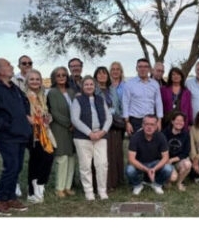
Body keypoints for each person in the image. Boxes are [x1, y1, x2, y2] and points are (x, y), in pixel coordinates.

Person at [0, 58, 33, 215]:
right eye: (8, 65)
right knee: (11, 167)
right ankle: (1, 200)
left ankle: (11, 197)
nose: (12, 67)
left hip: (20, 134)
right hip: (6, 136)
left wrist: (26, 117)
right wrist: (6, 126)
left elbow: (25, 102)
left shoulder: (13, 87)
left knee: (17, 167)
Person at [71, 75, 111, 201]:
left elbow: (109, 117)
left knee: (102, 164)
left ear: (95, 86)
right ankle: (89, 191)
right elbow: (75, 119)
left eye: (91, 84)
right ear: (82, 87)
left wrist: (103, 131)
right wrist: (89, 133)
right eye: (86, 84)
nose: (89, 86)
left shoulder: (100, 99)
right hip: (83, 137)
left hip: (100, 136)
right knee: (85, 165)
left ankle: (102, 191)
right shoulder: (78, 100)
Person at [24, 69, 54, 203]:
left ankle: (39, 184)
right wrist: (32, 120)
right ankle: (33, 190)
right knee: (37, 160)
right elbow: (24, 114)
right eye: (32, 79)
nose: (35, 81)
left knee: (47, 157)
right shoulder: (24, 96)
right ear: (27, 81)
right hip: (32, 133)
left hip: (44, 131)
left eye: (37, 79)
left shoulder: (43, 95)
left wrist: (48, 118)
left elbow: (47, 112)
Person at [46, 66, 76, 198]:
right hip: (59, 128)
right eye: (58, 75)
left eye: (64, 75)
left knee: (71, 157)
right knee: (62, 158)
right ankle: (59, 188)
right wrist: (69, 123)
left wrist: (75, 123)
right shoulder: (52, 92)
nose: (61, 77)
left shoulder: (71, 91)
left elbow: (76, 108)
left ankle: (67, 187)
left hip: (73, 129)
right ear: (54, 78)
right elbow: (54, 112)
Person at [126, 114, 172, 195]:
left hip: (155, 163)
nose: (149, 127)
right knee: (129, 169)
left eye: (152, 124)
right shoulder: (135, 137)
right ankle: (137, 185)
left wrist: (154, 169)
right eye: (147, 124)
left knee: (168, 168)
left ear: (156, 126)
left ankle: (157, 184)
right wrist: (147, 170)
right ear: (142, 125)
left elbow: (165, 157)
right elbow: (131, 159)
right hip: (139, 163)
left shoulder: (161, 137)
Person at [95, 65, 124, 193]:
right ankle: (103, 184)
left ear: (108, 76)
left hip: (115, 126)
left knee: (114, 154)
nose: (102, 76)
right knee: (103, 156)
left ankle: (114, 182)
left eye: (104, 73)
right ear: (96, 76)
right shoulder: (93, 90)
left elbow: (119, 106)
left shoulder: (112, 89)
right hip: (101, 127)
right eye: (99, 74)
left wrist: (120, 119)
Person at [123, 58, 164, 135]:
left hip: (151, 120)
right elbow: (125, 103)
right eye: (140, 66)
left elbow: (158, 103)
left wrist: (159, 120)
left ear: (149, 69)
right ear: (136, 68)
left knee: (151, 145)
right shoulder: (129, 84)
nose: (143, 69)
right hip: (135, 120)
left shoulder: (155, 84)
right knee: (136, 145)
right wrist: (127, 122)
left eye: (145, 67)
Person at [164, 111, 192, 191]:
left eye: (182, 121)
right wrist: (167, 160)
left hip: (177, 159)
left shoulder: (186, 134)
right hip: (166, 160)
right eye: (177, 120)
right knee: (173, 178)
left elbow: (186, 152)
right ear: (172, 121)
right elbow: (161, 150)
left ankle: (179, 183)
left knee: (187, 164)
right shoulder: (165, 133)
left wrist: (173, 159)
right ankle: (167, 180)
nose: (179, 123)